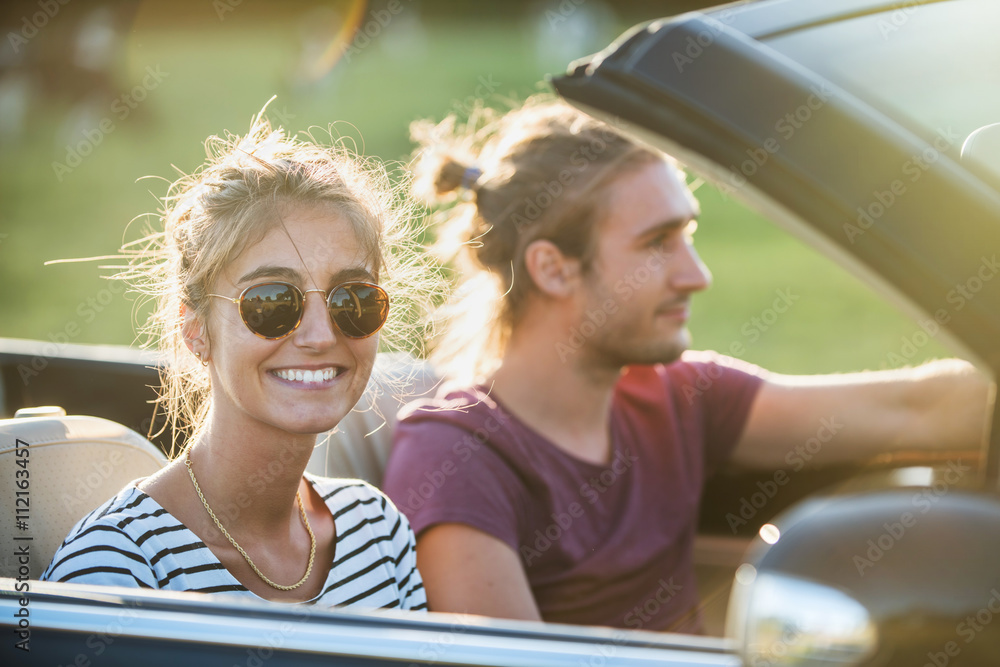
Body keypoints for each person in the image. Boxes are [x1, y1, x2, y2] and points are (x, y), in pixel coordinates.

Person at [382, 97, 990, 632]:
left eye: (689, 235)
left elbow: (916, 410)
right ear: (553, 268)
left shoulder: (677, 395)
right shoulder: (457, 460)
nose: (696, 275)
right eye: (657, 244)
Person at [43, 109, 431, 611]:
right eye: (272, 301)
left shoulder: (378, 531)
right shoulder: (120, 567)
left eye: (352, 299)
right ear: (195, 330)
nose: (319, 336)